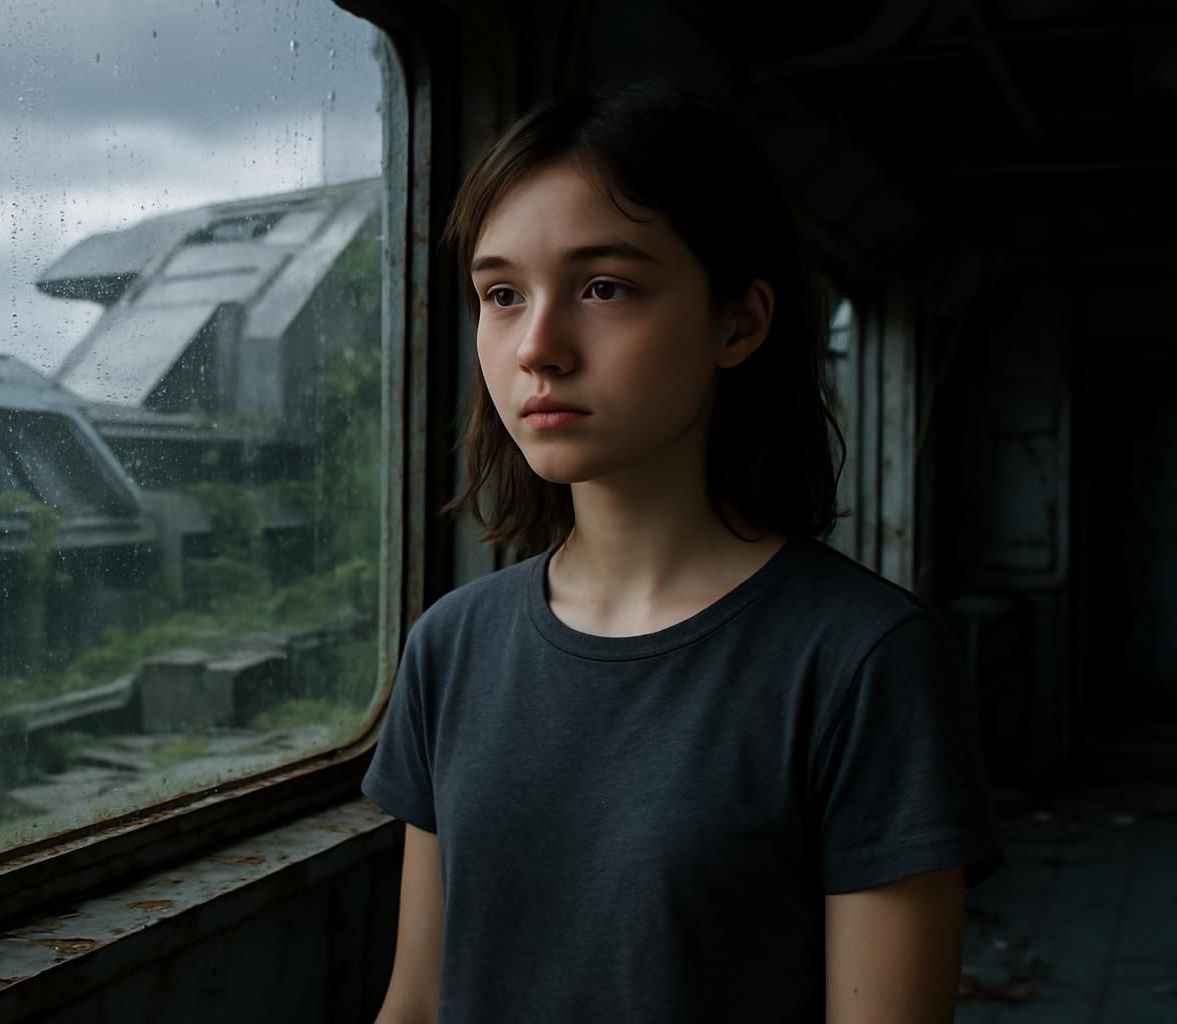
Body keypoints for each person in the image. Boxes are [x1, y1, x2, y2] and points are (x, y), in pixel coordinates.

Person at [361, 81, 1002, 1024]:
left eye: (603, 287)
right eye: (501, 295)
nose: (537, 347)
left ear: (737, 323)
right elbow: (417, 1001)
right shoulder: (451, 648)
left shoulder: (864, 660)